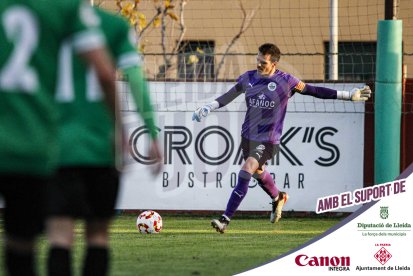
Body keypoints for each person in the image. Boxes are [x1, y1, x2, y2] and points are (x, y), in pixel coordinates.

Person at [192, 43, 371, 233]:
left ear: (274, 63)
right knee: (259, 172)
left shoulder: (287, 81)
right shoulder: (248, 77)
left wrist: (347, 95)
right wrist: (209, 106)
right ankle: (278, 197)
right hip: (247, 137)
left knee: (247, 169)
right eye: (258, 60)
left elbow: (315, 91)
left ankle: (225, 219)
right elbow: (230, 95)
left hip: (268, 140)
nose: (259, 64)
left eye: (263, 62)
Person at [0, 1, 116, 275]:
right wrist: (117, 126)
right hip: (29, 143)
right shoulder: (63, 8)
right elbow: (104, 73)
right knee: (21, 240)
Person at [46, 7, 162, 276]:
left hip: (57, 147)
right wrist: (150, 133)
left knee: (60, 235)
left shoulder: (47, 22)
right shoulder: (115, 25)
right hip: (101, 147)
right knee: (98, 236)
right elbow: (134, 79)